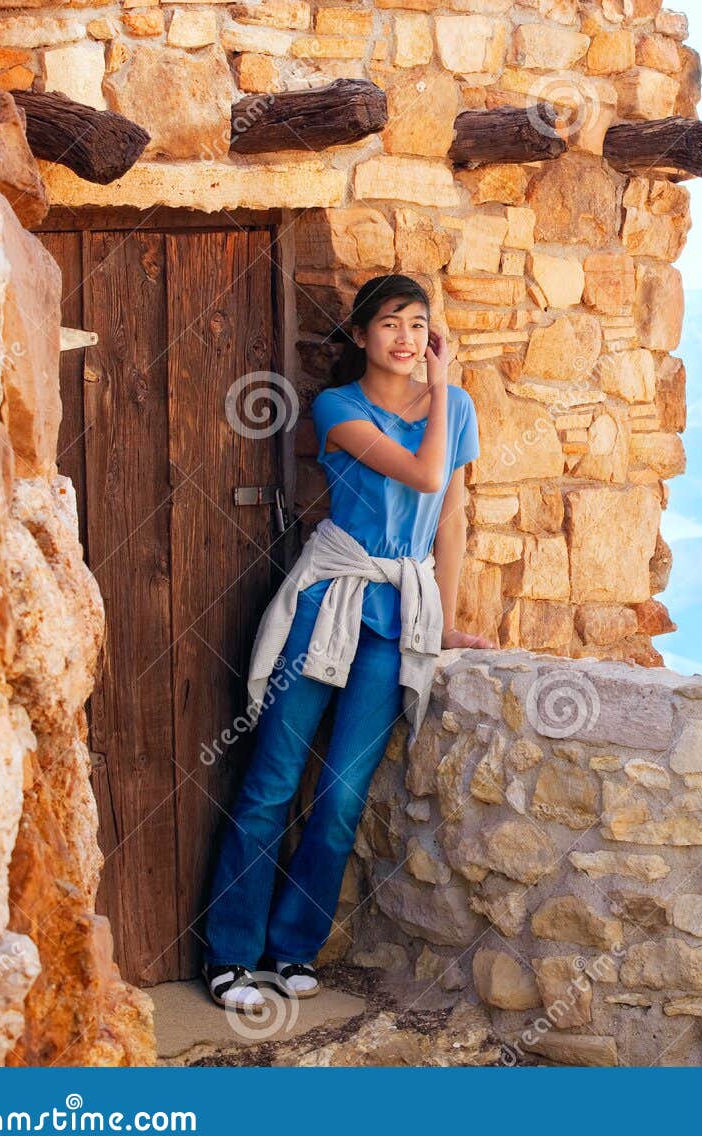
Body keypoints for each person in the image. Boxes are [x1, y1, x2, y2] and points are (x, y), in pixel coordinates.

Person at [201, 274, 494, 1013]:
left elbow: (450, 517)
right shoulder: (337, 408)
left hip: (398, 616)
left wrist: (448, 620)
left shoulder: (455, 410)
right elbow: (426, 474)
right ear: (361, 334)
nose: (405, 336)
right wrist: (443, 381)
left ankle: (293, 944)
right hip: (329, 603)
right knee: (272, 780)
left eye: (418, 322)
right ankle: (230, 954)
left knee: (340, 797)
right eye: (391, 323)